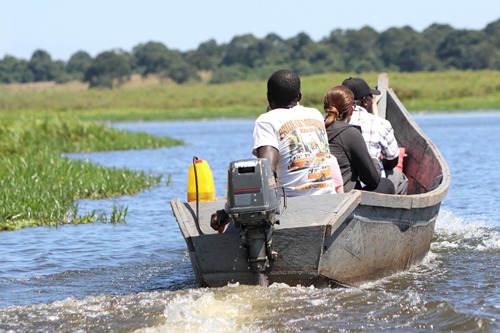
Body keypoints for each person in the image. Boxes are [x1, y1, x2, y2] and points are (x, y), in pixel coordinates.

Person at [253, 69, 342, 197]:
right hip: (328, 197)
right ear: (299, 96)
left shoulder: (266, 120)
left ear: (269, 97)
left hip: (291, 202)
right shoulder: (315, 114)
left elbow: (266, 169)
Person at [342, 77, 408, 195]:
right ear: (365, 101)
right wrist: (379, 162)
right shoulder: (380, 123)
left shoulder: (329, 123)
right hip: (372, 185)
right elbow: (392, 160)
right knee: (399, 177)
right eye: (371, 98)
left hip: (343, 184)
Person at [323, 85, 395, 194]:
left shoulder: (318, 129)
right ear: (351, 110)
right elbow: (372, 180)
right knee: (386, 184)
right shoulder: (350, 133)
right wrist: (374, 160)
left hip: (321, 194)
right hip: (344, 198)